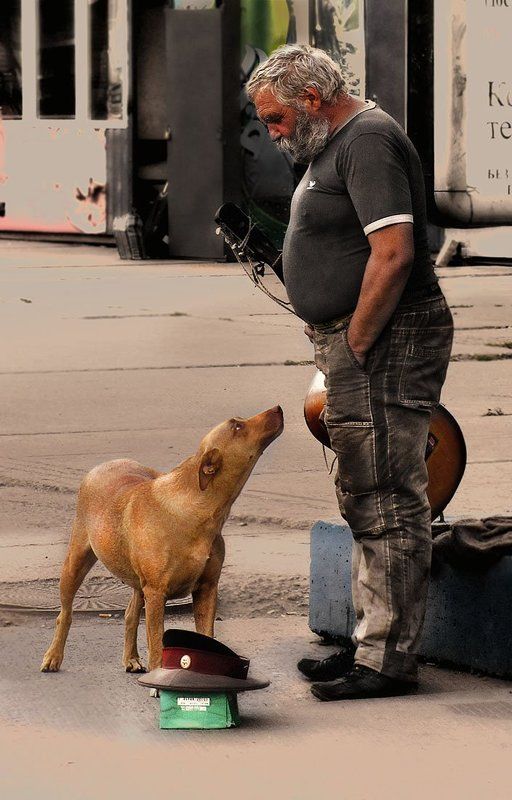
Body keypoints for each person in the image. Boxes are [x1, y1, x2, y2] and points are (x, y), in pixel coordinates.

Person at [246, 45, 453, 701]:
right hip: (354, 345)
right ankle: (372, 645)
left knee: (387, 496)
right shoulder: (333, 147)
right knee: (362, 492)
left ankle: (388, 661)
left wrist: (357, 338)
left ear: (311, 98)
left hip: (385, 342)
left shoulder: (368, 141)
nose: (273, 133)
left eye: (276, 119)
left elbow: (393, 255)